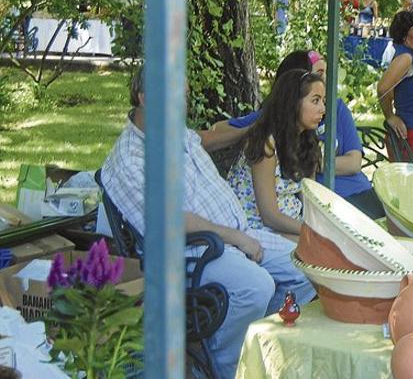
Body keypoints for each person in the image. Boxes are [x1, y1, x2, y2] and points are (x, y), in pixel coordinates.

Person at [101, 68, 315, 379]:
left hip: (234, 237)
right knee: (256, 287)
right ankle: (227, 368)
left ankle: (252, 347)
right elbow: (170, 220)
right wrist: (235, 238)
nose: (183, 104)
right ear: (145, 99)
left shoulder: (173, 132)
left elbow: (207, 137)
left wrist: (256, 122)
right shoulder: (132, 160)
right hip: (191, 253)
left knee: (306, 269)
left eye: (185, 96)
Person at [227, 50, 386, 219]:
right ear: (294, 95)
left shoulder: (315, 129)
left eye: (325, 74)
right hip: (273, 223)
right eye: (318, 74)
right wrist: (259, 126)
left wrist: (308, 161)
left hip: (336, 202)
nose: (323, 108)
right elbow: (271, 216)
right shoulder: (266, 139)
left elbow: (352, 164)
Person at [227, 70, 325, 239]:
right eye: (315, 101)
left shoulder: (307, 140)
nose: (323, 109)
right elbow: (269, 216)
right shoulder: (266, 143)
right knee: (321, 259)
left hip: (291, 224)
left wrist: (323, 228)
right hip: (255, 230)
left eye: (323, 101)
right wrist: (314, 233)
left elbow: (309, 200)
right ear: (293, 102)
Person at [377, 11, 413, 166]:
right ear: (404, 36)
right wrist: (390, 116)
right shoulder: (405, 58)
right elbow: (383, 88)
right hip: (411, 135)